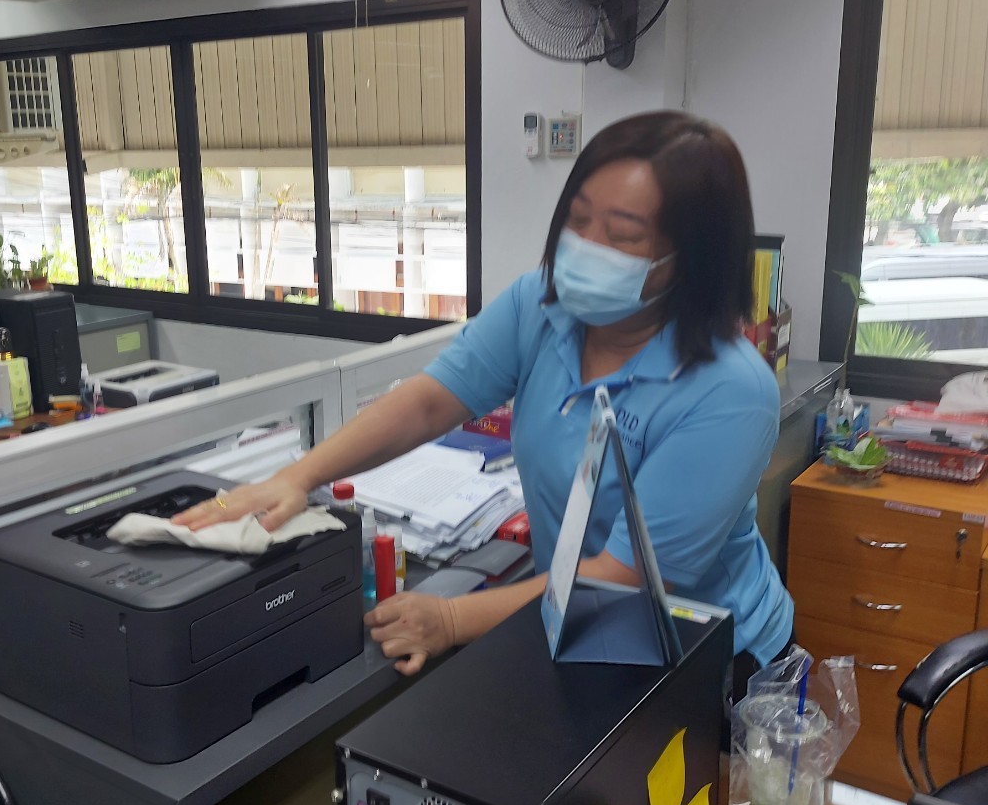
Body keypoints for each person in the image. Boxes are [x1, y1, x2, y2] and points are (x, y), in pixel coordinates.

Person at [174, 110, 795, 698]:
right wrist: (296, 476)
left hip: (705, 656)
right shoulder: (541, 305)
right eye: (577, 218)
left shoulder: (729, 393)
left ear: (691, 259)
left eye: (622, 235)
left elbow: (623, 581)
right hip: (573, 626)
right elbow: (429, 402)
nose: (584, 245)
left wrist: (449, 619)